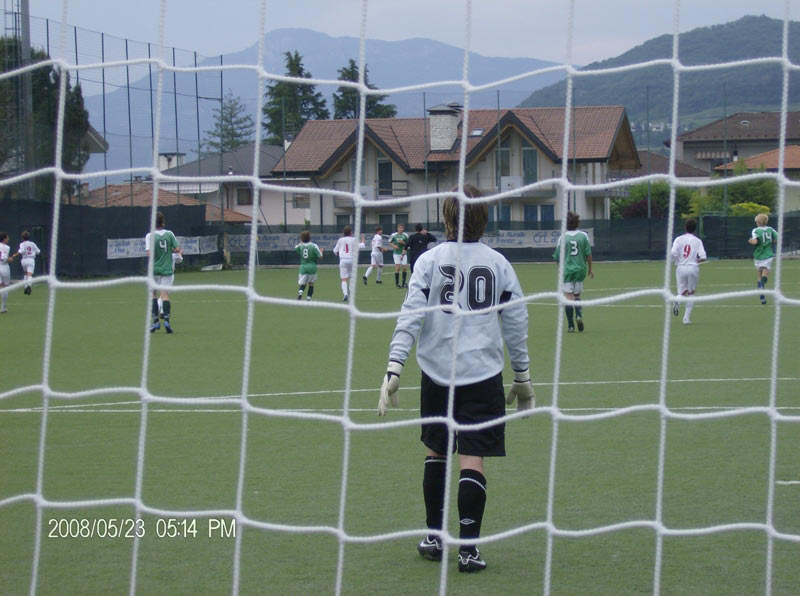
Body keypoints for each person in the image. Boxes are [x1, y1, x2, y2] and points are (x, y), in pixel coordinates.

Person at [377, 185, 534, 573]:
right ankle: (468, 550)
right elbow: (516, 323)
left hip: (436, 374)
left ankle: (434, 538)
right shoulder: (499, 263)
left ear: (446, 218)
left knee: (436, 451)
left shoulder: (429, 260)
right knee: (472, 458)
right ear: (484, 218)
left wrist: (394, 367)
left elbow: (410, 315)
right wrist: (522, 376)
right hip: (483, 376)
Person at [553, 211, 593, 333]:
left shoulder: (562, 238)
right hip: (580, 270)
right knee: (577, 296)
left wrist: (561, 269)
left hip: (567, 271)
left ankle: (571, 326)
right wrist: (590, 269)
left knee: (568, 297)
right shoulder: (583, 236)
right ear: (577, 223)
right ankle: (579, 315)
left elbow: (557, 257)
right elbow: (588, 254)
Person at [145, 211, 181, 333]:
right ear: (163, 222)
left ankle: (155, 322)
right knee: (165, 295)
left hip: (154, 269)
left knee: (153, 295)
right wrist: (169, 251)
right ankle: (166, 321)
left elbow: (149, 253)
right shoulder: (169, 234)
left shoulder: (149, 236)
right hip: (167, 269)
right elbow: (177, 249)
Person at [670, 219, 707, 325]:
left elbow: (672, 253)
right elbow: (703, 257)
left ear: (685, 227)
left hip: (681, 268)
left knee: (681, 293)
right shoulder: (697, 241)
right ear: (695, 229)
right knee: (691, 293)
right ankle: (686, 318)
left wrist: (676, 260)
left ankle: (677, 301)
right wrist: (696, 260)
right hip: (693, 268)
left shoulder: (678, 239)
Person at [748, 213, 778, 305]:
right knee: (766, 270)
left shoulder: (755, 230)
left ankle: (762, 296)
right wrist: (772, 241)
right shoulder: (771, 229)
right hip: (768, 254)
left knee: (759, 274)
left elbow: (755, 242)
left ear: (758, 222)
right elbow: (777, 239)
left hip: (758, 255)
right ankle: (763, 280)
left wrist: (750, 241)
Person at [332, 225, 365, 302]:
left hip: (343, 260)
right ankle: (350, 291)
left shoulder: (340, 240)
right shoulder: (354, 239)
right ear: (351, 232)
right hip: (352, 260)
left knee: (344, 279)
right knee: (352, 277)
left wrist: (339, 254)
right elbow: (362, 246)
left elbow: (335, 251)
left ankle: (345, 294)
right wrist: (363, 238)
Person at [295, 230, 323, 301]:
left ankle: (300, 293)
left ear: (302, 238)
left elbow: (296, 248)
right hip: (312, 268)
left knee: (303, 283)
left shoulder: (300, 246)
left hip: (303, 268)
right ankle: (308, 298)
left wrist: (301, 243)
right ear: (310, 237)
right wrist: (321, 251)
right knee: (311, 284)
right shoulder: (314, 246)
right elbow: (320, 257)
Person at [16, 230, 40, 296]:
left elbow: (21, 251)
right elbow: (38, 251)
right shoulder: (32, 244)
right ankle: (29, 286)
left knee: (26, 274)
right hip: (31, 260)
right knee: (29, 275)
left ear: (22, 237)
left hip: (24, 260)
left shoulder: (22, 244)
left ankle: (25, 287)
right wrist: (33, 252)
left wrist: (15, 255)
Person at [389, 223, 409, 288]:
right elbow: (390, 242)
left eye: (402, 228)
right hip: (396, 253)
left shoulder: (405, 235)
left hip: (403, 253)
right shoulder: (393, 235)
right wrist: (394, 246)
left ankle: (404, 283)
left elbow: (408, 244)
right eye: (400, 228)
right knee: (397, 268)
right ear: (398, 228)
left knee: (404, 268)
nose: (401, 229)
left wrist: (402, 242)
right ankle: (397, 284)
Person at [0, 232, 15, 313]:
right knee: (5, 288)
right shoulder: (6, 247)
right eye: (7, 237)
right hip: (4, 268)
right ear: (4, 239)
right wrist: (10, 259)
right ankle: (3, 307)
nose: (8, 239)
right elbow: (3, 258)